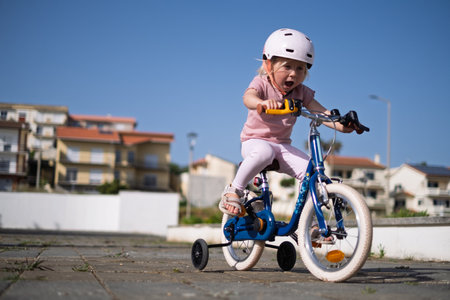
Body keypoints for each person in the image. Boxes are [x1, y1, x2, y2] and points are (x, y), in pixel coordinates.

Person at [219, 28, 358, 216]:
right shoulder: (262, 83)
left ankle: (308, 223)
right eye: (287, 66)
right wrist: (261, 103)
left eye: (300, 68)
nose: (294, 74)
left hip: (282, 146)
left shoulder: (302, 92)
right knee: (264, 152)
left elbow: (323, 113)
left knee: (310, 173)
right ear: (269, 65)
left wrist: (344, 126)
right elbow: (248, 97)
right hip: (254, 141)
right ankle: (234, 190)